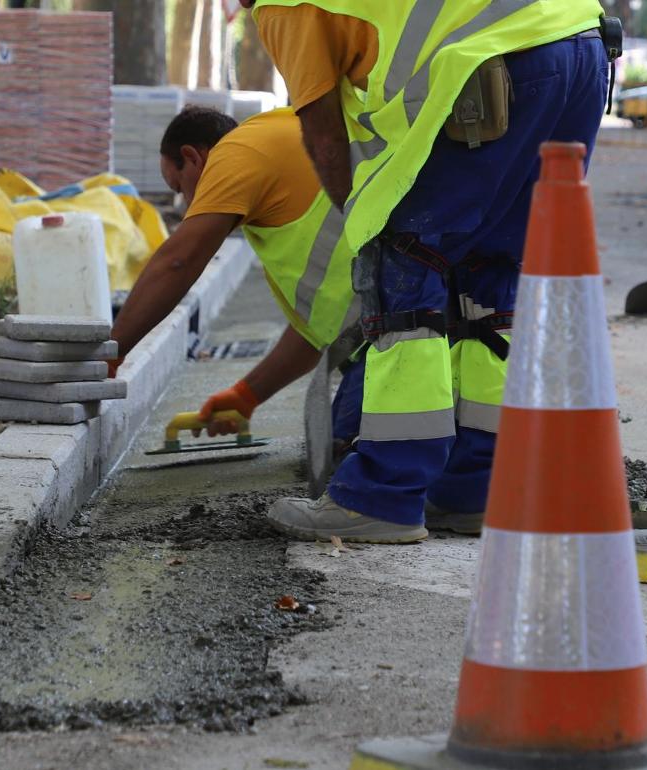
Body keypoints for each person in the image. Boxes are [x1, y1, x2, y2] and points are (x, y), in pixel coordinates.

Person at [243, 0, 612, 541]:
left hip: (500, 62)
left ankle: (382, 495)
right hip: (583, 44)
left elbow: (324, 137)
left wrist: (371, 231)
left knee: (406, 267)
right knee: (491, 272)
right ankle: (476, 488)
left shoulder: (283, 6)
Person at [109, 106, 360, 451]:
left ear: (193, 158)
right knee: (339, 448)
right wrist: (246, 395)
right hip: (385, 333)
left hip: (398, 338)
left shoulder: (237, 152)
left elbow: (178, 261)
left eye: (179, 186)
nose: (184, 205)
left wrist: (113, 350)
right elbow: (313, 330)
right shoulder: (273, 155)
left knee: (353, 458)